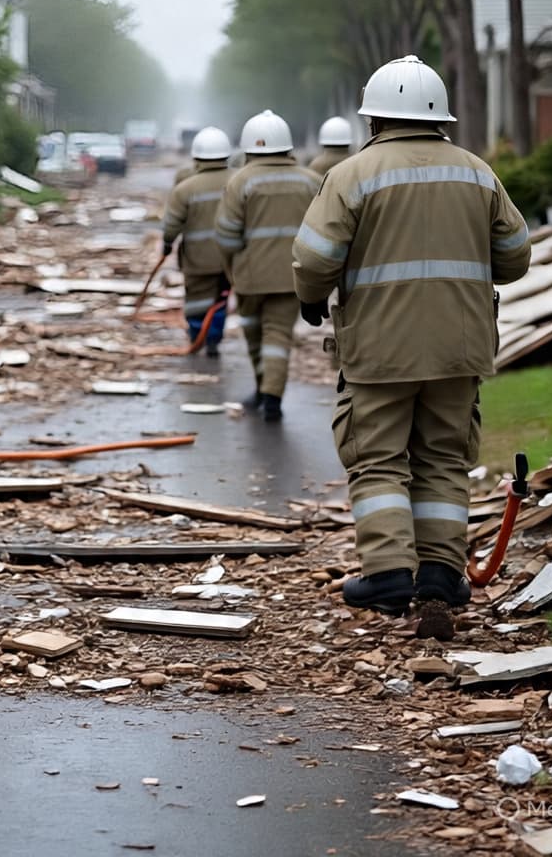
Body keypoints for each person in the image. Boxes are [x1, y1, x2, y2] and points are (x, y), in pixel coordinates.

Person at [292, 55, 531, 640]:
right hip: (460, 349)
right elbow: (517, 256)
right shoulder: (477, 172)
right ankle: (442, 577)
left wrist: (310, 298)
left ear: (374, 117)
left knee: (378, 459)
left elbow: (314, 258)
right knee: (443, 460)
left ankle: (389, 573)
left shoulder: (351, 175)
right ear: (439, 117)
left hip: (378, 351)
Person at [216, 110, 319, 421]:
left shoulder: (241, 182)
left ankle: (265, 390)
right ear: (288, 147)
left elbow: (226, 235)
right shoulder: (311, 182)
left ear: (248, 148)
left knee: (254, 334)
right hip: (293, 277)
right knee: (278, 335)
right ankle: (270, 395)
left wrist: (231, 270)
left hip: (250, 277)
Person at [161, 127, 232, 356]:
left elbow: (172, 223)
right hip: (229, 258)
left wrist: (167, 243)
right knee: (220, 299)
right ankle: (213, 339)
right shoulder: (239, 180)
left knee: (196, 299)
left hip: (196, 258)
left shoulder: (185, 188)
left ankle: (197, 335)